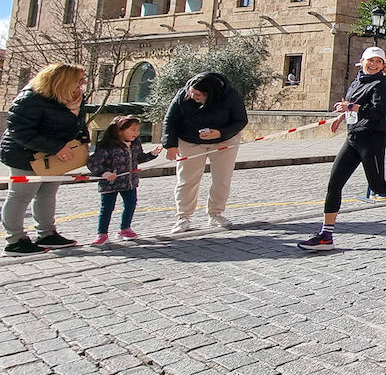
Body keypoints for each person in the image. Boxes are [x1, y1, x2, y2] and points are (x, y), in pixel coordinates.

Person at [298, 47, 386, 250]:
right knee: (334, 185)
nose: (374, 64)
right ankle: (326, 235)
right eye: (371, 60)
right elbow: (351, 103)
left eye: (378, 61)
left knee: (378, 186)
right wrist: (341, 117)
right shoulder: (356, 82)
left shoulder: (383, 83)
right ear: (362, 61)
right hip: (353, 139)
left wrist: (351, 108)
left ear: (382, 65)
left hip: (372, 139)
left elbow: (378, 112)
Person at [2, 63, 88, 254]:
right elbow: (19, 131)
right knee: (20, 195)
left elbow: (78, 124)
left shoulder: (73, 98)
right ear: (63, 80)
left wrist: (83, 144)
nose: (83, 83)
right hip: (25, 154)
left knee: (47, 193)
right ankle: (14, 240)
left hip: (54, 156)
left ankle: (46, 234)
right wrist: (56, 147)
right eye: (79, 79)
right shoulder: (30, 98)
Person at [163, 71, 248, 233]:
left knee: (222, 179)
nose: (194, 96)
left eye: (199, 95)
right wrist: (170, 145)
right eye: (192, 93)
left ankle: (215, 214)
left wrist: (220, 133)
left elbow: (241, 120)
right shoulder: (183, 94)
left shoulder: (230, 95)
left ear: (211, 94)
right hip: (189, 140)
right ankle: (183, 217)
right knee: (187, 179)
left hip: (224, 141)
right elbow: (170, 119)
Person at [88, 115, 162, 245]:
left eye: (138, 130)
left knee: (130, 204)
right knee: (107, 208)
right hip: (109, 184)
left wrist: (153, 154)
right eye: (133, 129)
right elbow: (93, 163)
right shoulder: (106, 145)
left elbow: (139, 158)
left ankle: (125, 228)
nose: (137, 133)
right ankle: (102, 233)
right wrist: (104, 173)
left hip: (129, 182)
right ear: (120, 130)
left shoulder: (135, 143)